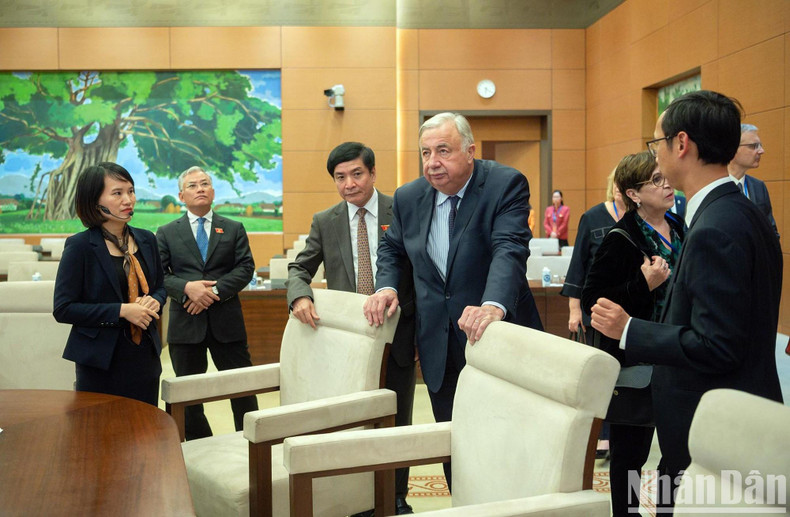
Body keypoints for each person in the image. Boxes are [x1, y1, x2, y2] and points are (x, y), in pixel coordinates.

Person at [591, 90, 783, 510]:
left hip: (717, 424)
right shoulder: (742, 210)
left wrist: (629, 330)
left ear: (682, 144)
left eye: (656, 144)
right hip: (732, 415)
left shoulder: (716, 227)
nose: (655, 157)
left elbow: (717, 344)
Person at [363, 112, 543, 490]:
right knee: (455, 444)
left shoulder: (503, 184)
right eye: (425, 153)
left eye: (443, 151)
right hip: (438, 345)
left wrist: (494, 304)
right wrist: (387, 287)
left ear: (470, 151)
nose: (432, 162)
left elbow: (508, 249)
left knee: (509, 441)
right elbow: (392, 250)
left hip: (496, 338)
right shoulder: (410, 197)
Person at [286, 142, 417, 515]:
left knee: (396, 418)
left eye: (356, 174)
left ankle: (395, 497)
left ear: (373, 174)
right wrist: (300, 296)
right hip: (351, 343)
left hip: (399, 335)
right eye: (340, 177)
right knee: (354, 420)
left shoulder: (402, 209)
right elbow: (300, 269)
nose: (349, 184)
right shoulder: (325, 221)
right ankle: (356, 497)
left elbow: (421, 274)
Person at [582, 152, 684, 516]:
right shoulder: (620, 238)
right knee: (629, 460)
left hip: (678, 358)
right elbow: (593, 300)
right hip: (636, 365)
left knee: (677, 455)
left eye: (664, 176)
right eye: (655, 180)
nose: (667, 184)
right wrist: (644, 282)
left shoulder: (680, 227)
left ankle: (666, 510)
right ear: (634, 194)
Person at [156, 166, 259, 440]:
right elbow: (158, 275)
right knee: (188, 396)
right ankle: (203, 446)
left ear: (212, 192)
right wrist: (188, 288)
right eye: (192, 185)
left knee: (243, 390)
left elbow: (245, 267)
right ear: (181, 195)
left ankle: (251, 444)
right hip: (185, 326)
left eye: (204, 184)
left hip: (227, 323)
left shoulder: (234, 227)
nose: (199, 188)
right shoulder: (166, 232)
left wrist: (211, 294)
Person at [54, 162, 166, 406]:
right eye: (117, 193)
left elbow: (160, 286)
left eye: (131, 191)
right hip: (100, 362)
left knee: (144, 432)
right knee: (102, 435)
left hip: (144, 354)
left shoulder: (146, 239)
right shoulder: (80, 246)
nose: (128, 199)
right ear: (95, 201)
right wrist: (123, 310)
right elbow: (63, 308)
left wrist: (154, 300)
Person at [561, 169, 625, 458]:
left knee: (624, 378)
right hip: (595, 312)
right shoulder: (593, 217)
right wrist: (574, 309)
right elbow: (578, 267)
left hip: (630, 314)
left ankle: (619, 432)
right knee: (601, 375)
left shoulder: (644, 219)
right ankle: (601, 434)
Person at [727, 123, 779, 238]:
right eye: (754, 146)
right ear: (733, 148)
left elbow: (771, 232)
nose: (761, 151)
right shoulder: (713, 185)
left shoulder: (758, 186)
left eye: (760, 145)